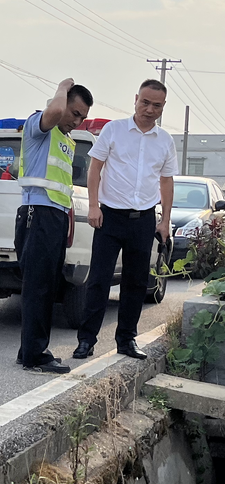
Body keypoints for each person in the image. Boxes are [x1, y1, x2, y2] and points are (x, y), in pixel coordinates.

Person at [73, 80, 177, 361]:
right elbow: (95, 168)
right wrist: (94, 206)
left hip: (143, 219)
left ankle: (127, 339)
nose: (149, 109)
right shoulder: (114, 130)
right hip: (110, 216)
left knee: (135, 282)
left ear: (163, 107)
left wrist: (164, 220)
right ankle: (86, 340)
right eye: (145, 102)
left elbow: (166, 182)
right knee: (99, 280)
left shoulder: (165, 140)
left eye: (156, 105)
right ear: (136, 99)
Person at [16, 79, 93, 373]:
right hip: (38, 213)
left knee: (47, 286)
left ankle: (31, 349)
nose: (76, 121)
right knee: (37, 286)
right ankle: (35, 355)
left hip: (56, 215)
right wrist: (62, 86)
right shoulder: (39, 126)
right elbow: (56, 109)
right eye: (74, 113)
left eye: (82, 117)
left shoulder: (66, 140)